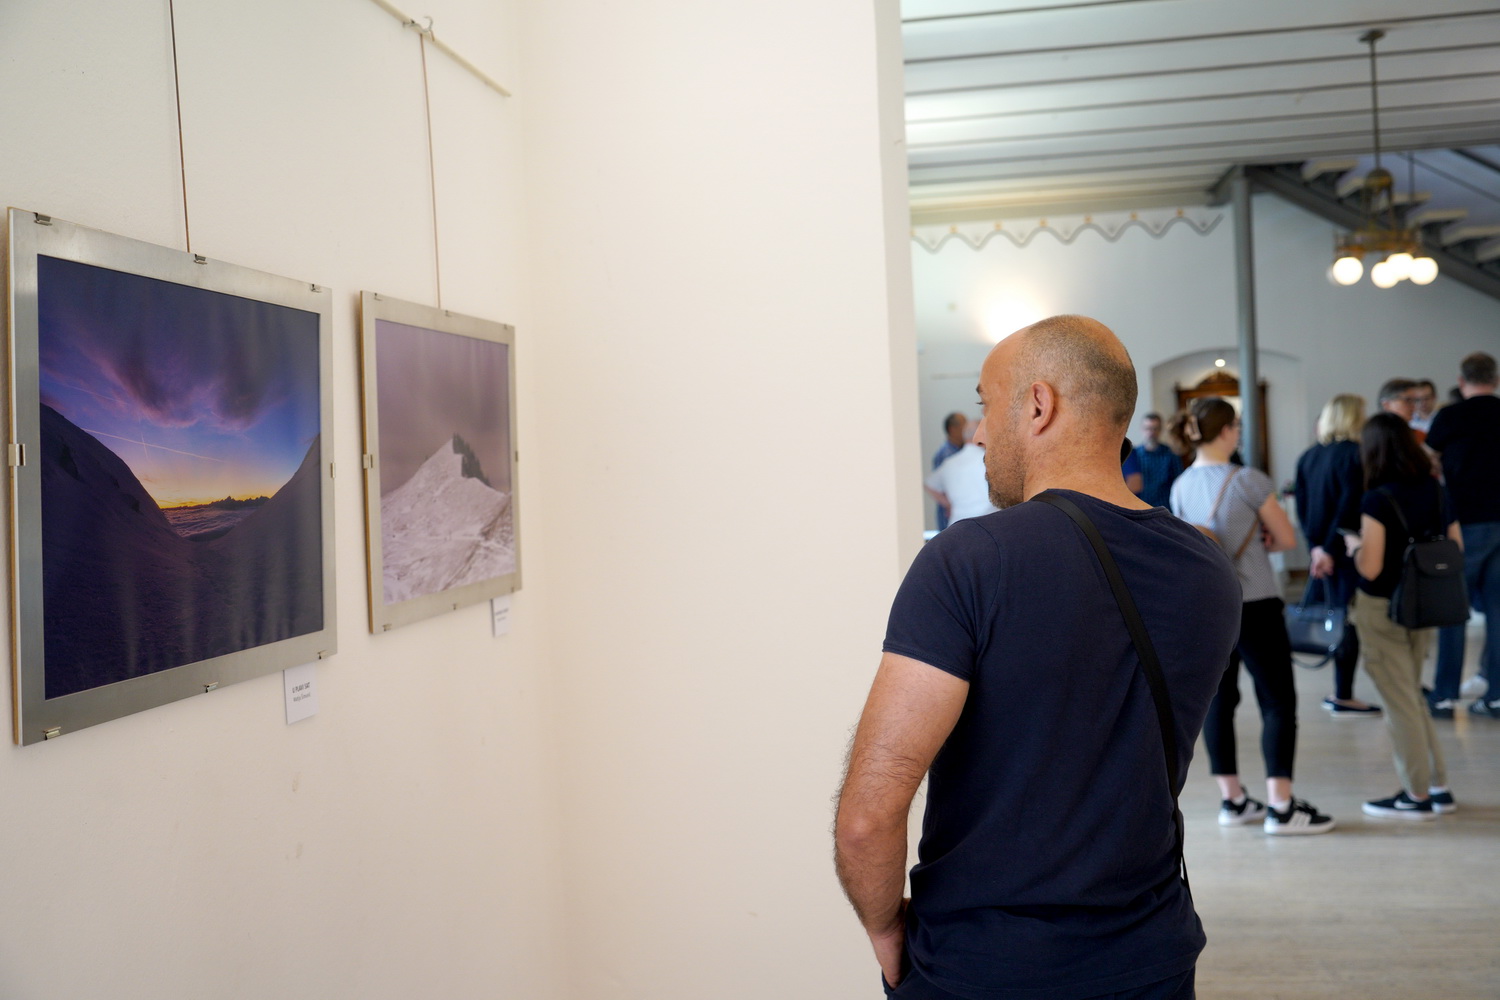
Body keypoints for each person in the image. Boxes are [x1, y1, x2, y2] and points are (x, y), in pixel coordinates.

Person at [835, 316, 1240, 1000]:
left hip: (984, 966)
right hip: (1152, 958)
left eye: (987, 405)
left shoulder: (969, 560)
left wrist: (885, 934)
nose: (980, 432)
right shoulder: (1207, 569)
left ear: (1038, 405)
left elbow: (867, 817)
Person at [1168, 397, 1335, 835]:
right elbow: (1285, 538)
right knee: (1277, 700)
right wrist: (1261, 538)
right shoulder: (1247, 479)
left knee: (1219, 702)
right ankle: (1281, 806)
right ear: (1226, 431)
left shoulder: (1181, 485)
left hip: (1207, 608)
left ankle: (1233, 800)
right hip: (1256, 602)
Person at [1342, 413, 1460, 818]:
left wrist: (1355, 547)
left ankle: (1416, 794)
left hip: (1382, 608)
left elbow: (1371, 568)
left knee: (1399, 704)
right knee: (1412, 696)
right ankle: (1438, 786)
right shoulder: (1436, 489)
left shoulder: (1377, 498)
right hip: (1423, 604)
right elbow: (1456, 548)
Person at [1294, 394, 1380, 716]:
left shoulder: (1308, 456)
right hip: (1345, 550)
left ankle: (1342, 692)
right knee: (1347, 621)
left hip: (1321, 551)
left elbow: (1302, 509)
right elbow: (1349, 506)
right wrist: (1329, 549)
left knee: (1336, 617)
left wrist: (1316, 548)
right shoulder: (1356, 455)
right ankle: (1343, 695)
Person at [1426, 352, 1500, 718]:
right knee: (1499, 611)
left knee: (1453, 608)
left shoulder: (1450, 416)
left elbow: (1429, 461)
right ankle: (1496, 696)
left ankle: (1445, 695)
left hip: (1464, 521)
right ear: (1496, 380)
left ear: (1461, 381)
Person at [923, 440, 998, 528]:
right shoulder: (990, 460)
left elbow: (928, 484)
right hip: (987, 522)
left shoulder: (949, 462)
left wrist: (947, 504)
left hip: (957, 524)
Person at [1133, 411, 1183, 508]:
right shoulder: (1134, 455)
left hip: (1165, 508)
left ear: (1160, 430)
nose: (1151, 432)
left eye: (1155, 429)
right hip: (1140, 508)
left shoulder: (1171, 454)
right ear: (1142, 429)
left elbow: (1178, 482)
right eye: (1148, 428)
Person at [931, 413, 968, 530]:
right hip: (949, 516)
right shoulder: (945, 455)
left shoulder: (962, 452)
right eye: (964, 426)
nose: (967, 431)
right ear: (952, 429)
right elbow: (940, 488)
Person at [1377, 378, 1424, 444]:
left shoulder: (1419, 437)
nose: (1414, 407)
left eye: (1415, 401)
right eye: (1408, 400)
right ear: (1386, 405)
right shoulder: (1373, 437)